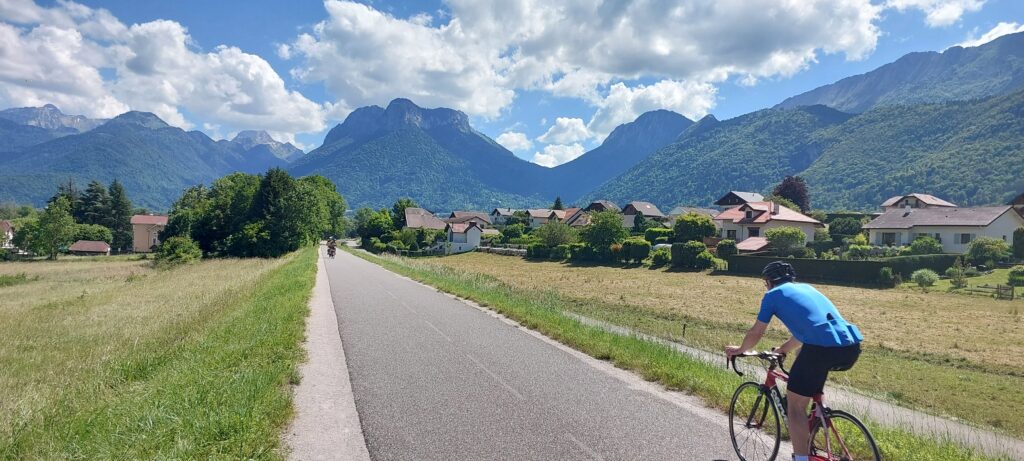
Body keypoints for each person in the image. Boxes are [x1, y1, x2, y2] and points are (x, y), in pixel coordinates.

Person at [725, 261, 863, 461]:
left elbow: (757, 332)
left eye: (766, 283)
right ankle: (820, 418)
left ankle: (800, 458)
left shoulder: (772, 296)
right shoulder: (808, 289)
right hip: (850, 347)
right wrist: (782, 349)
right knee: (809, 380)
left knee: (795, 406)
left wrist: (739, 350)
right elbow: (806, 332)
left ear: (769, 281)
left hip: (820, 349)